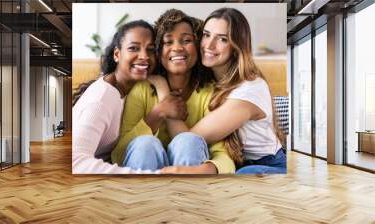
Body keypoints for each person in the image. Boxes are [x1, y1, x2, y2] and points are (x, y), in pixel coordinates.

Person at [152, 8, 286, 174]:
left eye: (222, 39)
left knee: (244, 175)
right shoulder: (209, 79)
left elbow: (188, 138)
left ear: (237, 46)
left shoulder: (249, 90)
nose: (209, 45)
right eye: (207, 35)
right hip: (236, 161)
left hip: (268, 164)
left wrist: (162, 88)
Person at [110, 9, 235, 174]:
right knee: (145, 144)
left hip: (190, 176)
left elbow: (223, 155)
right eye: (168, 42)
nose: (177, 48)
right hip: (145, 180)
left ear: (198, 47)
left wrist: (210, 168)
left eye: (186, 40)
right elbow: (119, 154)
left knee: (188, 141)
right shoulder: (142, 89)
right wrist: (157, 114)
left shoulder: (210, 92)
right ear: (158, 51)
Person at [72, 20, 158, 174]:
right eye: (134, 48)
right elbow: (76, 161)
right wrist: (152, 175)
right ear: (117, 54)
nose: (144, 56)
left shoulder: (133, 90)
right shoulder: (102, 99)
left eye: (150, 50)